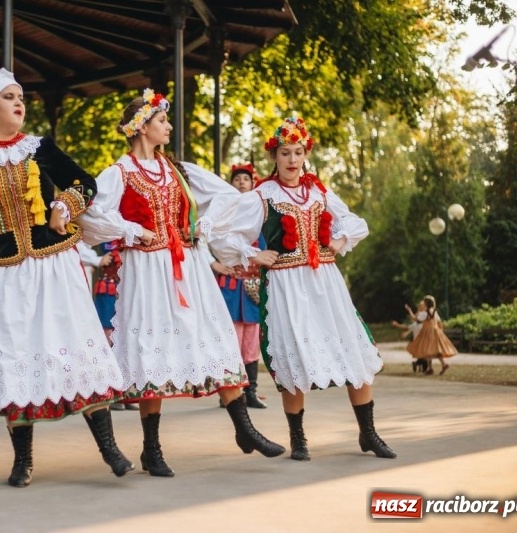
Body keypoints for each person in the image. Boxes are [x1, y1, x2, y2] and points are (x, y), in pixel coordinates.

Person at [0, 68, 133, 488]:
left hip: (55, 266)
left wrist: (64, 207)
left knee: (78, 348)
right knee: (12, 355)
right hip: (3, 273)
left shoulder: (40, 147)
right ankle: (23, 461)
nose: (20, 103)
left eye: (22, 97)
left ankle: (110, 450)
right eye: (10, 97)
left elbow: (84, 183)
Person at [78, 88, 285, 478]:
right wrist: (128, 229)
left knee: (213, 335)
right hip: (145, 270)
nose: (169, 126)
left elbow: (228, 198)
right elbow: (90, 216)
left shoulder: (179, 170)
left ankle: (244, 428)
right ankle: (151, 449)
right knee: (150, 348)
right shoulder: (118, 173)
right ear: (141, 129)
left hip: (185, 264)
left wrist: (203, 226)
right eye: (162, 121)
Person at [209, 116, 396, 461]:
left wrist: (339, 241)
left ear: (305, 154)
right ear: (274, 157)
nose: (292, 160)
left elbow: (354, 222)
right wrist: (254, 252)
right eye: (285, 153)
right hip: (285, 284)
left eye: (297, 152)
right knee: (292, 355)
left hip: (325, 280)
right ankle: (298, 439)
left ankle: (368, 434)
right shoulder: (262, 195)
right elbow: (224, 235)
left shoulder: (319, 190)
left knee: (352, 349)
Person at [208, 163, 268, 409]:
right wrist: (214, 263)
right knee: (231, 338)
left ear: (253, 184)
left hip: (252, 286)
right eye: (237, 179)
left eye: (246, 179)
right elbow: (205, 238)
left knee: (252, 341)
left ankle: (250, 391)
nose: (242, 182)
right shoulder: (222, 211)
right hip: (231, 284)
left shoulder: (261, 211)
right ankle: (231, 394)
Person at [91, 241, 139, 411]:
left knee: (126, 341)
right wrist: (95, 259)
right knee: (108, 341)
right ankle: (109, 393)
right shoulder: (108, 232)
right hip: (109, 291)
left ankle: (125, 393)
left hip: (126, 292)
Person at [405, 295, 456, 375]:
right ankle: (443, 364)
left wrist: (409, 311)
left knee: (425, 350)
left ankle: (431, 368)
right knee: (436, 350)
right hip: (436, 332)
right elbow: (439, 322)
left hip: (427, 333)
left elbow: (416, 319)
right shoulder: (434, 311)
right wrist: (440, 330)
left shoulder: (425, 313)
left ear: (426, 303)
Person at [392, 300, 428, 373]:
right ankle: (419, 365)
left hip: (422, 340)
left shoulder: (424, 322)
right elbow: (408, 326)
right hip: (419, 341)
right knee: (422, 356)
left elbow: (408, 326)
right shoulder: (417, 324)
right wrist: (398, 325)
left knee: (423, 355)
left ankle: (419, 365)